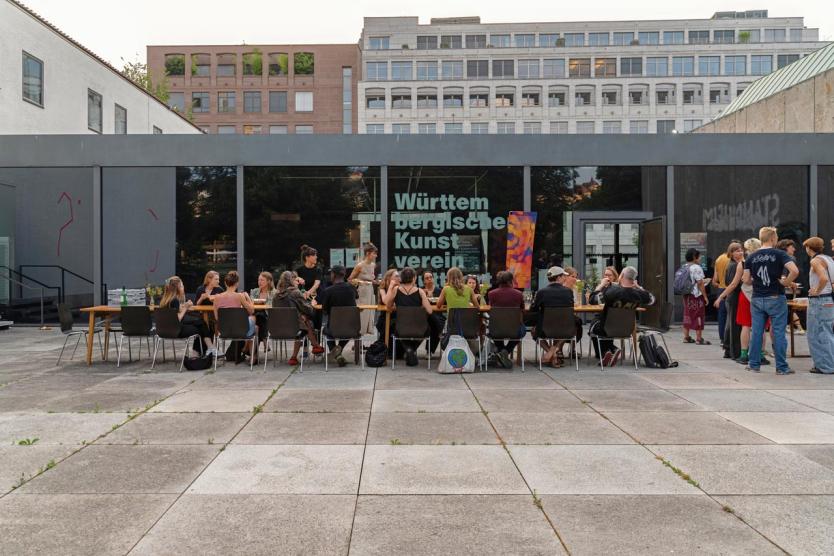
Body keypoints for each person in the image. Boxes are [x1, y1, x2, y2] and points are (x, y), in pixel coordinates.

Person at [743, 226, 799, 374]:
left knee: (756, 332)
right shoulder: (780, 254)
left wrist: (756, 280)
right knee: (779, 332)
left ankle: (754, 364)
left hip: (757, 298)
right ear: (773, 238)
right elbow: (794, 271)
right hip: (775, 296)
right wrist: (786, 282)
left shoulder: (751, 257)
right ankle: (781, 367)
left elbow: (746, 280)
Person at [591, 266, 655, 366]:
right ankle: (611, 350)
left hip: (606, 328)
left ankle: (606, 353)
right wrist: (639, 287)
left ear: (622, 276)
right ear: (633, 279)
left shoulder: (612, 292)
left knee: (594, 324)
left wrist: (601, 285)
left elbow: (593, 300)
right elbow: (652, 300)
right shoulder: (639, 294)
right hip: (627, 330)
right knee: (599, 324)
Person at [273, 271, 325, 366]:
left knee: (302, 320)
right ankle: (315, 346)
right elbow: (309, 310)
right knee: (304, 321)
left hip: (278, 329)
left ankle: (295, 356)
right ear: (291, 280)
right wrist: (312, 304)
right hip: (296, 329)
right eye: (294, 279)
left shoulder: (276, 295)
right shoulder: (295, 292)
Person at [384, 266, 433, 366]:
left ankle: (409, 349)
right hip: (419, 328)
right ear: (414, 278)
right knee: (428, 329)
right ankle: (412, 349)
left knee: (395, 328)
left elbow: (388, 306)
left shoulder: (396, 290)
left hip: (401, 328)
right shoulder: (420, 291)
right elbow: (430, 311)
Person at [159, 276, 216, 357]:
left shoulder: (164, 301)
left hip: (163, 330)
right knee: (201, 327)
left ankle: (205, 350)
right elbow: (177, 319)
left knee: (200, 322)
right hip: (176, 331)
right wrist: (185, 307)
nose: (183, 287)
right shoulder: (174, 301)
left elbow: (173, 313)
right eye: (181, 285)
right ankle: (203, 351)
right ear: (177, 288)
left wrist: (183, 306)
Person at [529, 266, 575, 367]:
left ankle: (550, 352)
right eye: (563, 276)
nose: (565, 278)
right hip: (565, 329)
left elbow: (534, 309)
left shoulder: (542, 292)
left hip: (545, 329)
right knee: (571, 328)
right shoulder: (568, 292)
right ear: (558, 278)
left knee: (534, 331)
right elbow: (571, 308)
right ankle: (553, 352)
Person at [803, 237, 834, 374]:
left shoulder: (815, 260)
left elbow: (823, 278)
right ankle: (830, 363)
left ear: (809, 248)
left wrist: (817, 290)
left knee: (815, 334)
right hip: (828, 300)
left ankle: (824, 366)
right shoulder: (828, 259)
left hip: (819, 301)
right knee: (827, 333)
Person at [213, 271, 258, 364]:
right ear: (237, 283)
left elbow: (217, 318)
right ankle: (252, 356)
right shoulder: (239, 296)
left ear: (225, 283)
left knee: (251, 323)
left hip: (224, 331)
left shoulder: (216, 298)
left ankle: (244, 350)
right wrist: (248, 298)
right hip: (239, 330)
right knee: (254, 320)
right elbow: (251, 311)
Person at [436, 267, 481, 357]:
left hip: (452, 326)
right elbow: (477, 307)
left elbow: (438, 305)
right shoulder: (469, 289)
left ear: (448, 277)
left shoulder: (446, 289)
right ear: (461, 277)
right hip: (467, 327)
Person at [319, 265, 358, 367]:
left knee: (326, 331)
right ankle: (339, 351)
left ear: (333, 275)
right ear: (344, 275)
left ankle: (336, 353)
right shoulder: (351, 288)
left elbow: (325, 311)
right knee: (348, 330)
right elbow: (356, 298)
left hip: (333, 328)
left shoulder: (328, 291)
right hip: (351, 328)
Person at [487, 270, 525, 369]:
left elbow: (490, 308)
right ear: (511, 280)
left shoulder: (491, 294)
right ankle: (506, 351)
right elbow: (522, 309)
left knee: (492, 332)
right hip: (514, 329)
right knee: (522, 331)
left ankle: (501, 351)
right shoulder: (518, 294)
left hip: (496, 329)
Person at [714, 243, 745, 360]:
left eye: (741, 250)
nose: (740, 252)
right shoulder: (734, 266)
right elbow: (732, 284)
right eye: (736, 251)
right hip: (734, 297)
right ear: (731, 253)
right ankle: (735, 352)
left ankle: (727, 349)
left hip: (731, 297)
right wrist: (721, 297)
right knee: (734, 326)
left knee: (729, 324)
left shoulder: (734, 264)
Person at [349, 242, 379, 337]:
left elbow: (370, 278)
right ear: (368, 253)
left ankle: (361, 340)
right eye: (374, 253)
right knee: (362, 314)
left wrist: (375, 282)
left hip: (370, 291)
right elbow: (350, 279)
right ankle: (357, 339)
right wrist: (361, 282)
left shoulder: (373, 265)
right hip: (361, 292)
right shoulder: (360, 265)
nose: (376, 255)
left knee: (369, 313)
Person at [682, 248, 711, 345]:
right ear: (695, 257)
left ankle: (686, 337)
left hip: (687, 295)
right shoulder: (696, 267)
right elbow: (700, 283)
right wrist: (705, 296)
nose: (700, 258)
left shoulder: (684, 266)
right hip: (696, 295)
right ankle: (699, 338)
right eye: (699, 256)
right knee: (698, 315)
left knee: (687, 314)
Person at [777, 239, 805, 334]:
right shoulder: (788, 258)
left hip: (784, 287)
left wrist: (787, 283)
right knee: (789, 308)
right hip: (787, 287)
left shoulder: (787, 258)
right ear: (785, 247)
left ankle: (798, 327)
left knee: (788, 308)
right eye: (791, 246)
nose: (794, 249)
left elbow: (783, 276)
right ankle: (798, 327)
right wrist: (790, 283)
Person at [250, 271, 275, 350]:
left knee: (260, 316)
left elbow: (271, 306)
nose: (259, 282)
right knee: (259, 316)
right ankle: (265, 340)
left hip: (270, 317)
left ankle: (250, 349)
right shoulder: (254, 291)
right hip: (256, 316)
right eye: (258, 280)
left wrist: (259, 304)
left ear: (268, 281)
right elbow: (250, 303)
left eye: (262, 280)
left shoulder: (274, 292)